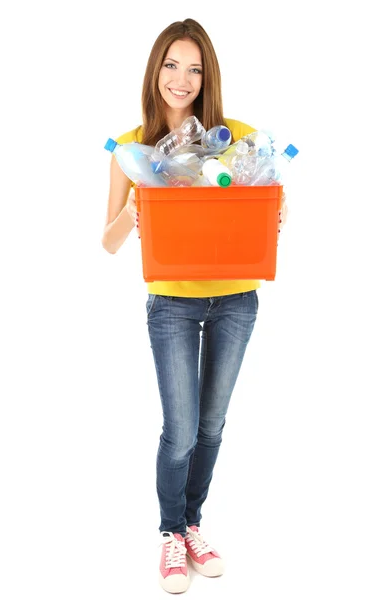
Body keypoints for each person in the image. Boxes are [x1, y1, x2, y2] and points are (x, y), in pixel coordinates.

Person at [102, 18, 286, 594]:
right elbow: (107, 242)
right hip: (173, 305)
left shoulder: (240, 135)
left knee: (211, 427)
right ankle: (169, 532)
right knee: (179, 430)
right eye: (171, 65)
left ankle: (192, 524)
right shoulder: (131, 150)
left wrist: (276, 216)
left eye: (195, 68)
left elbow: (272, 211)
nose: (182, 80)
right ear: (156, 70)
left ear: (208, 77)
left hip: (235, 299)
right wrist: (139, 209)